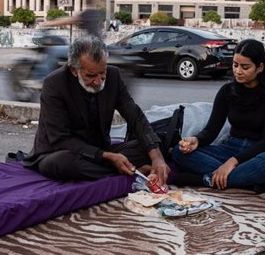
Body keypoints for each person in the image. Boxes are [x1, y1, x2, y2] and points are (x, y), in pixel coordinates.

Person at [24, 34, 169, 184]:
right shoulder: (54, 84)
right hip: (61, 152)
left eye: (102, 73)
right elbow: (61, 139)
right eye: (91, 75)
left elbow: (135, 117)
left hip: (101, 150)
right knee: (64, 163)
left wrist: (156, 157)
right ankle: (122, 169)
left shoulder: (114, 76)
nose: (98, 81)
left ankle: (114, 168)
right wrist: (108, 157)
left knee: (158, 144)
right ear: (74, 70)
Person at [171, 39, 265, 191]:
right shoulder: (227, 91)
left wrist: (232, 162)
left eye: (245, 67)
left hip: (261, 152)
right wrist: (196, 140)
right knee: (178, 152)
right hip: (229, 149)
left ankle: (205, 179)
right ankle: (241, 179)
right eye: (235, 65)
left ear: (260, 67)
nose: (238, 71)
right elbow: (211, 131)